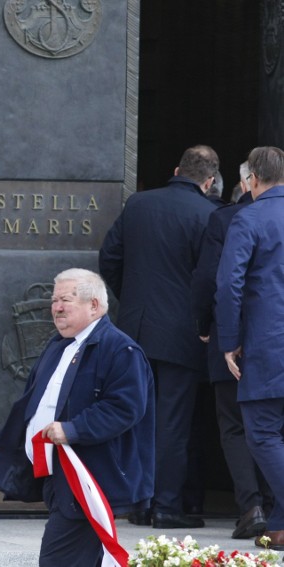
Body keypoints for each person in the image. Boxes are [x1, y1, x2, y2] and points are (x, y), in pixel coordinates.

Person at [0, 269, 155, 567]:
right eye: (54, 300)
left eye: (66, 300)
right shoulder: (58, 346)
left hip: (88, 482)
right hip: (58, 479)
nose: (56, 307)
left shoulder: (120, 349)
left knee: (58, 559)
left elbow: (126, 408)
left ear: (94, 305)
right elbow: (29, 405)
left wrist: (73, 429)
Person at [99, 145, 219, 529]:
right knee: (173, 423)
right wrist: (204, 323)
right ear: (209, 181)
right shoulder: (210, 215)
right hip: (184, 337)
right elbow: (210, 281)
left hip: (133, 331)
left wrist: (131, 302)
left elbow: (110, 259)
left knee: (135, 417)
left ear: (176, 169)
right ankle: (166, 507)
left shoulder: (138, 205)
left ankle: (137, 503)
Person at [191, 161, 269, 539]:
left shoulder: (227, 219)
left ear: (247, 182)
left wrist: (208, 328)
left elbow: (211, 280)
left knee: (235, 427)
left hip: (235, 342)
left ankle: (251, 506)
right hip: (272, 345)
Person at [216, 146, 284, 550]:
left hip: (267, 343)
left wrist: (229, 341)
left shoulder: (249, 216)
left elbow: (228, 285)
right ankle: (278, 525)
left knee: (261, 434)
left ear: (251, 180)